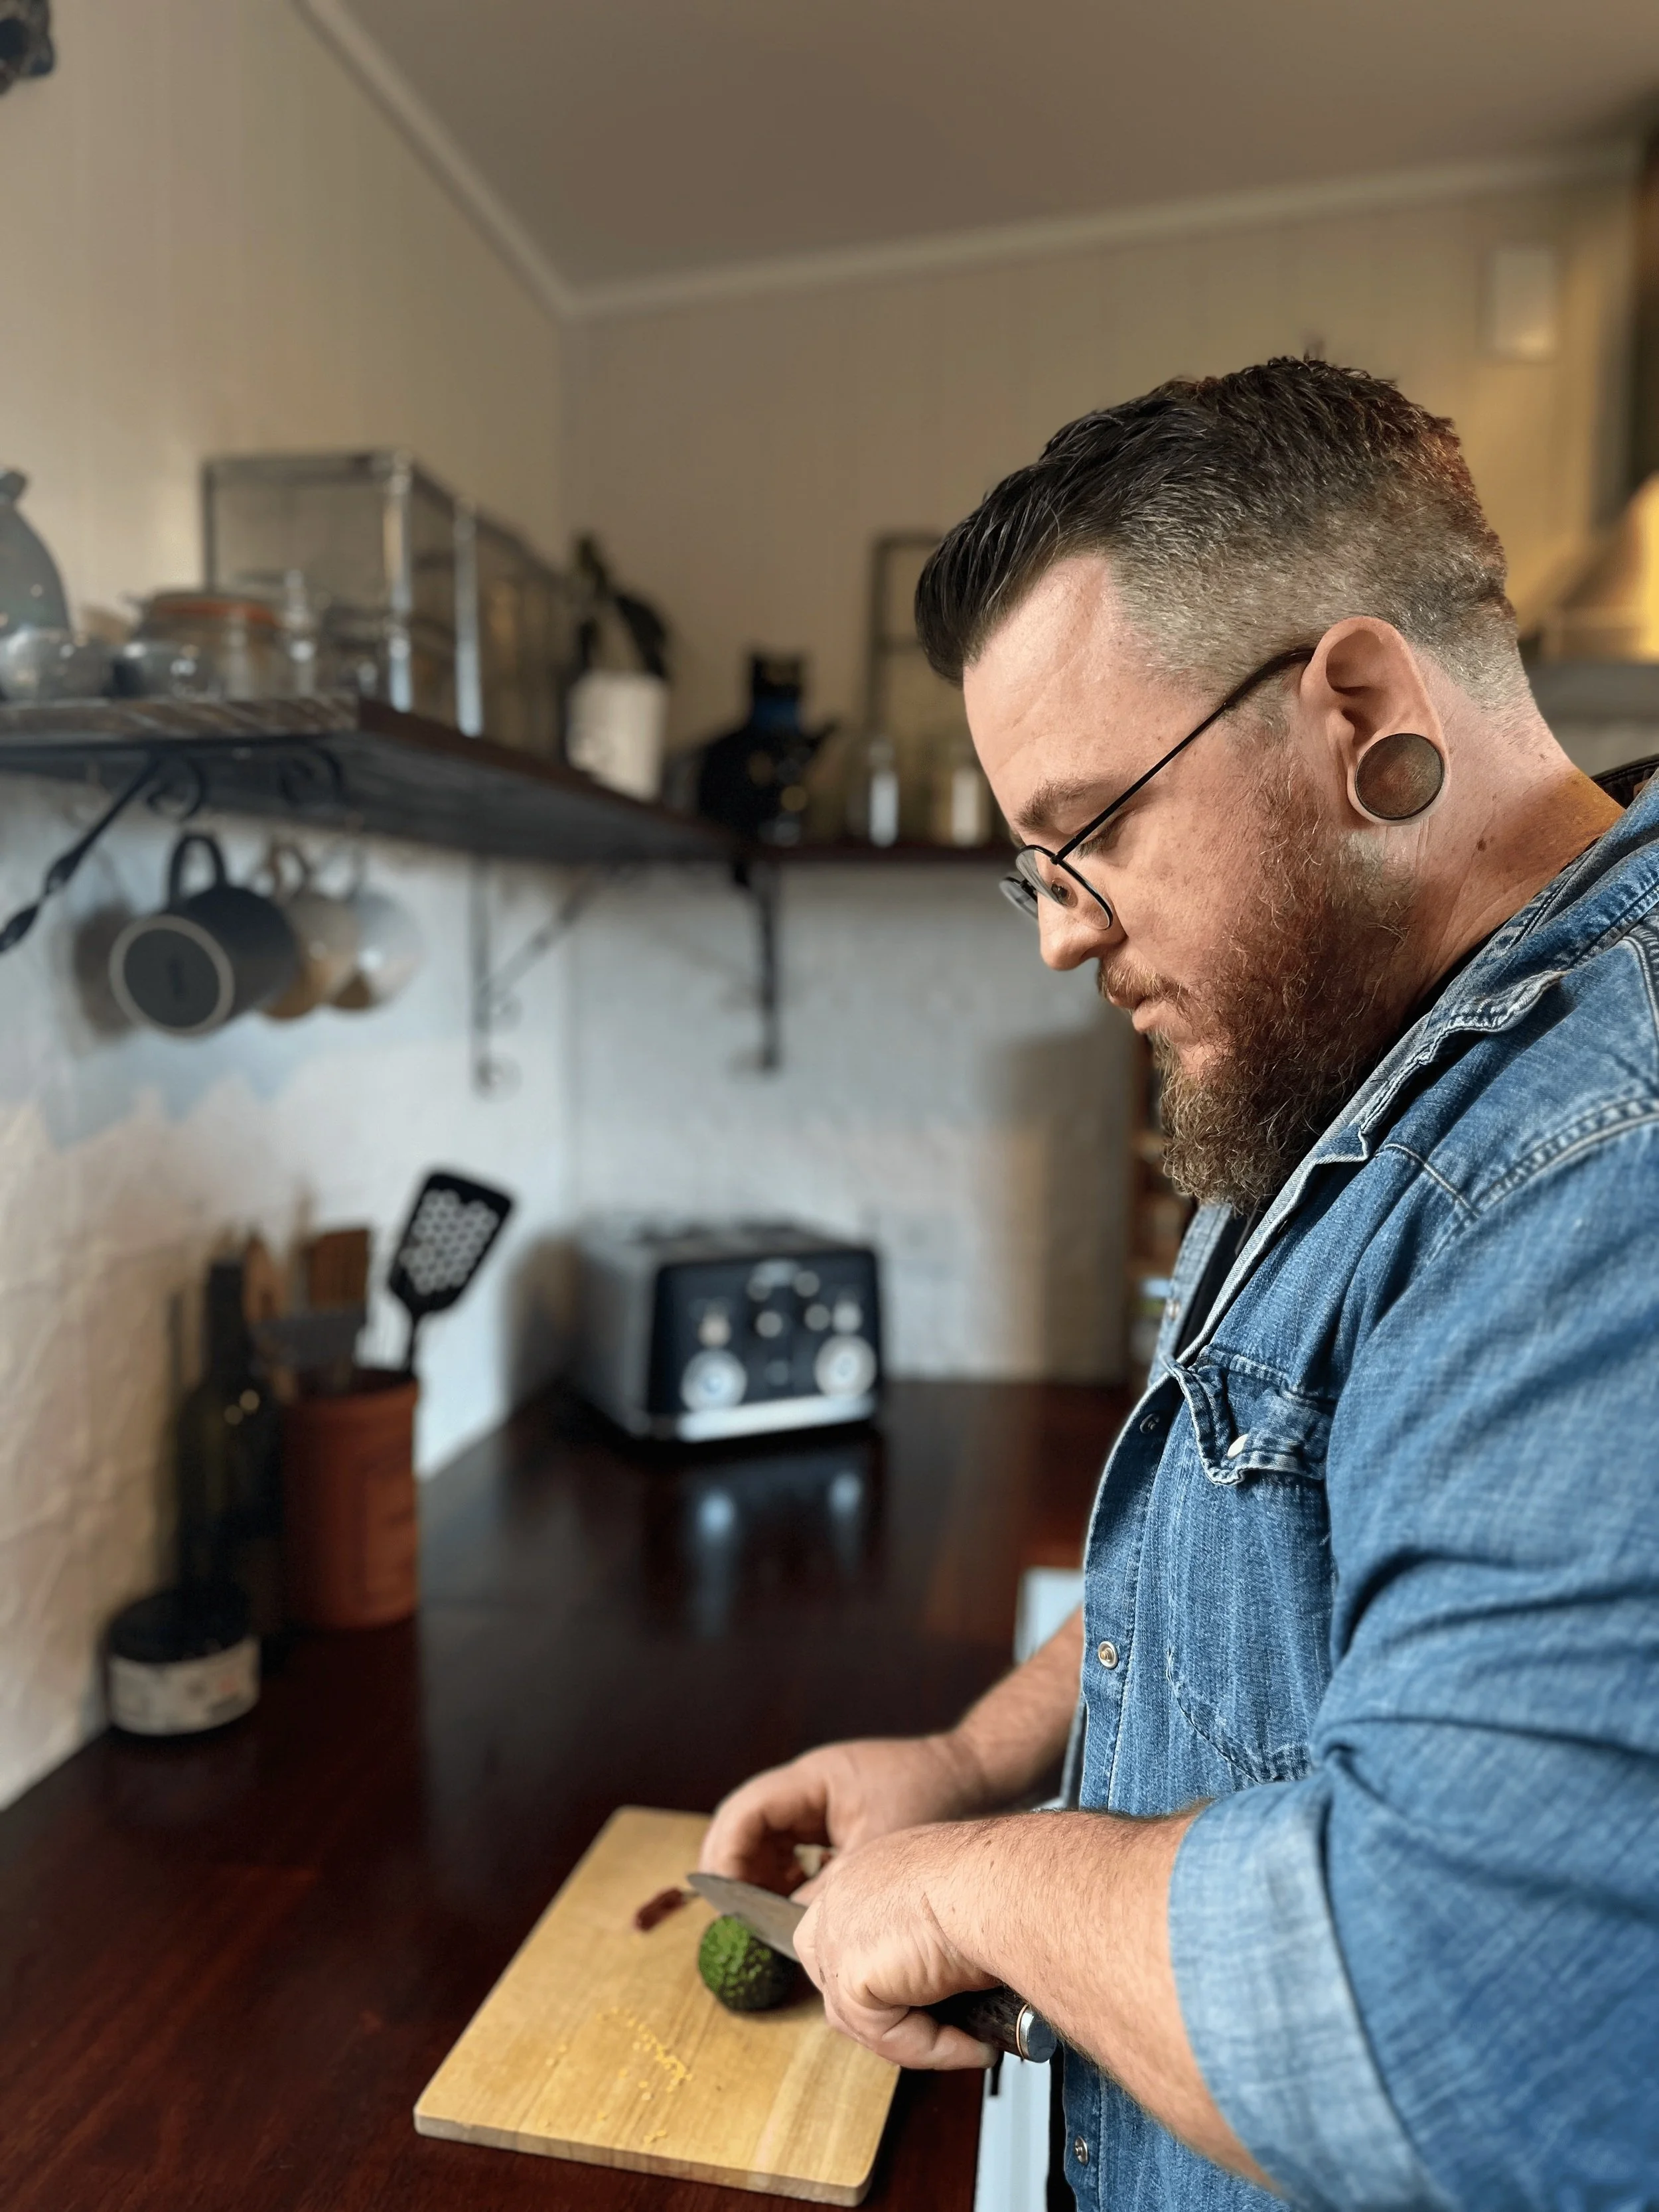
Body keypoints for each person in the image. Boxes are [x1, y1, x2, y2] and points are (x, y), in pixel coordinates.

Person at [699, 359, 1659, 2211]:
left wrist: (974, 1887)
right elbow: (1256, 1554)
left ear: (1360, 710)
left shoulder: (1590, 1165)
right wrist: (972, 1759)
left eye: (1091, 827)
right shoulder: (1364, 1048)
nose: (1059, 928)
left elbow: (1461, 2034)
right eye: (1028, 868)